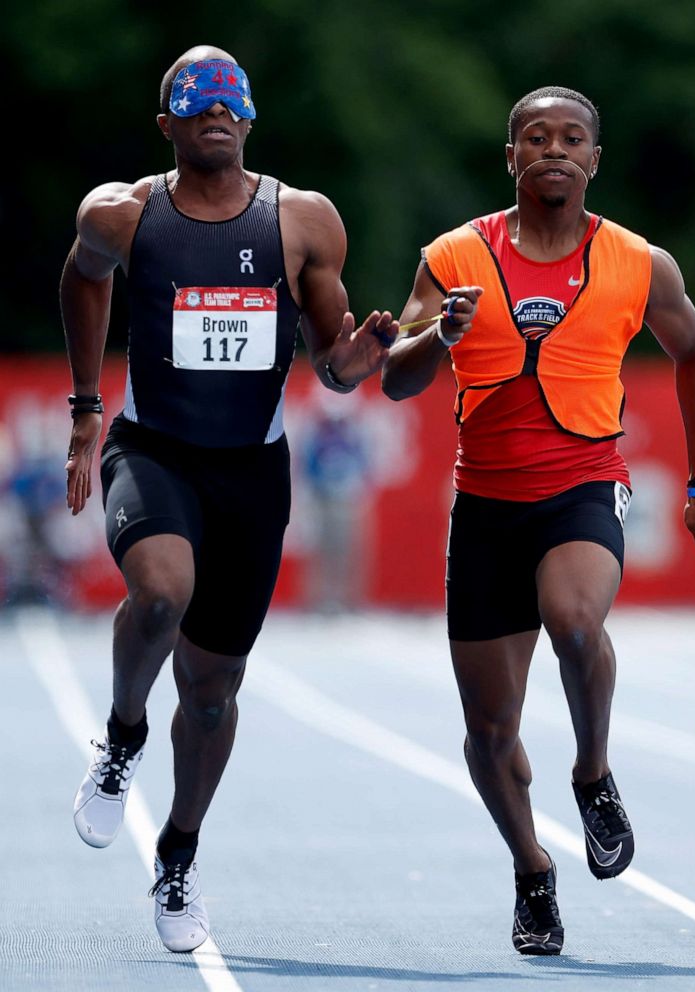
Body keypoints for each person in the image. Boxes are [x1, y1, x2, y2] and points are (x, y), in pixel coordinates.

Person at [61, 44, 397, 953]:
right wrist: (89, 408)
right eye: (195, 98)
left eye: (231, 98)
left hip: (252, 469)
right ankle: (124, 734)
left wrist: (364, 355)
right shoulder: (123, 214)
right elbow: (83, 279)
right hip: (152, 449)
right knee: (161, 592)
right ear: (166, 122)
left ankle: (178, 850)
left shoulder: (303, 222)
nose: (216, 108)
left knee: (211, 693)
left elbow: (333, 366)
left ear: (249, 120)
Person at [381, 86, 695, 956]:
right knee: (490, 735)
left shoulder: (641, 262)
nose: (554, 149)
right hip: (487, 505)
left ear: (594, 159)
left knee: (576, 620)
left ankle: (593, 772)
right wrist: (439, 338)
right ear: (511, 156)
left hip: (583, 484)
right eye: (535, 136)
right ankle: (533, 868)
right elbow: (394, 375)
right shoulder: (454, 256)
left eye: (572, 138)